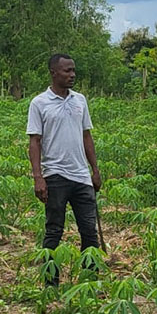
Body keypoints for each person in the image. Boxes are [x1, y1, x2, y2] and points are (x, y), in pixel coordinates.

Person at [27, 53, 102, 286]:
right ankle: (51, 284)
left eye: (73, 70)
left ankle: (89, 281)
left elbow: (86, 135)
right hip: (55, 176)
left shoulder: (80, 100)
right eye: (67, 71)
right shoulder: (39, 103)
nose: (72, 75)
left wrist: (95, 170)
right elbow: (35, 142)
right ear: (53, 73)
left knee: (89, 232)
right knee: (54, 231)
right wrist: (38, 177)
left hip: (81, 176)